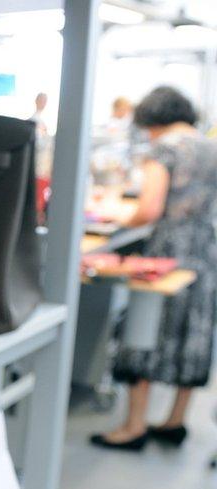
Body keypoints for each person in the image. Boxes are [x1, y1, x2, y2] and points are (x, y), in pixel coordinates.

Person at [91, 86, 217, 451]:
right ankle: (175, 421)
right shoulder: (210, 145)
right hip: (204, 248)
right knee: (195, 332)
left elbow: (148, 210)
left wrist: (116, 214)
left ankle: (133, 426)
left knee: (144, 328)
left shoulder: (163, 149)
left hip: (170, 248)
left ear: (153, 120)